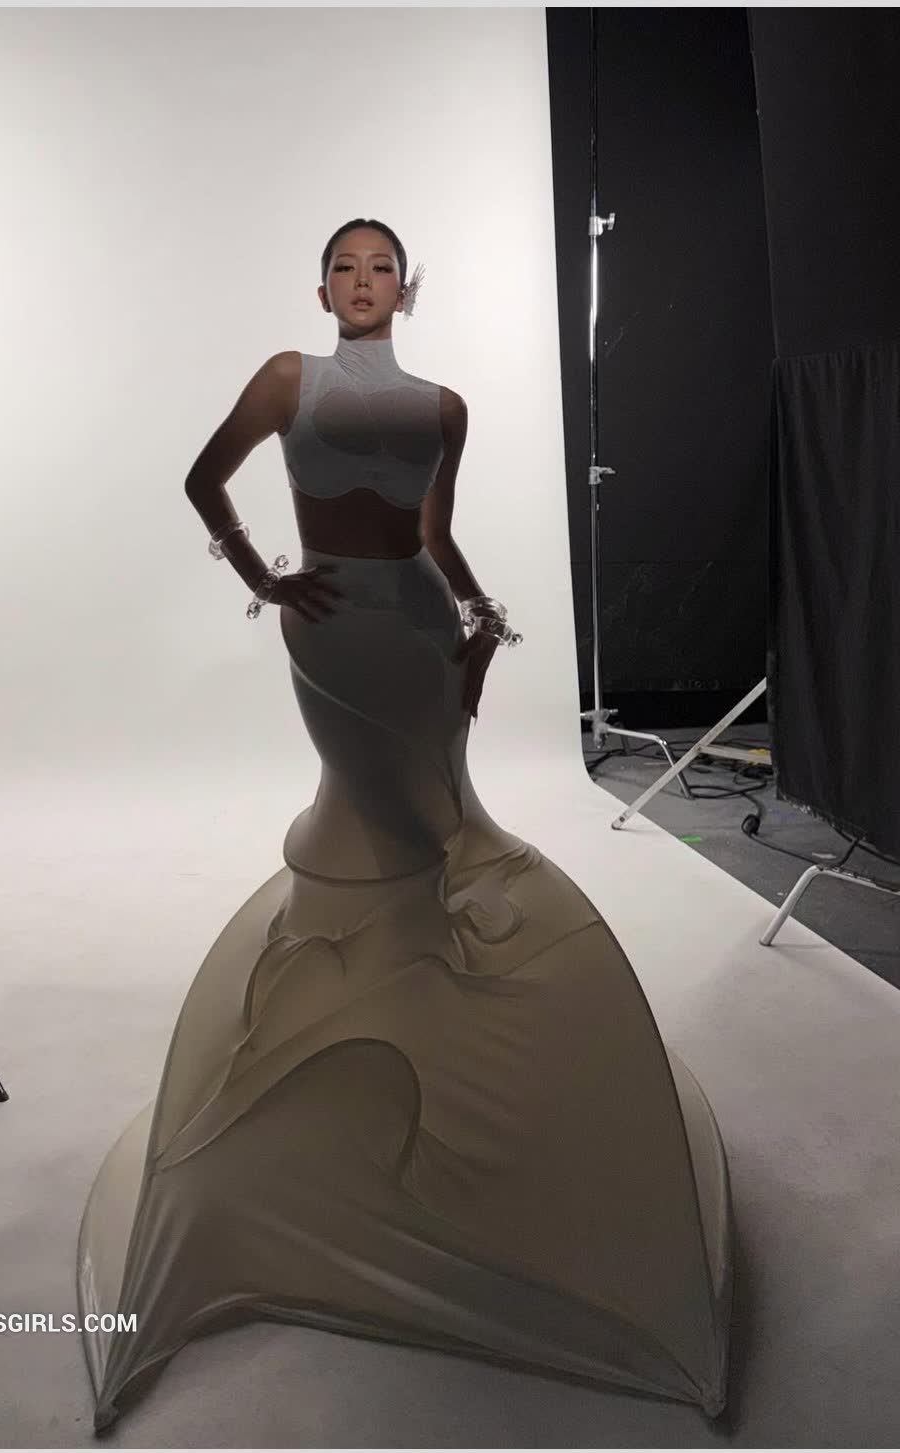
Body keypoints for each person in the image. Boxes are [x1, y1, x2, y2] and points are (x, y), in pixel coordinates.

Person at [77, 219, 734, 1433]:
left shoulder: (445, 406)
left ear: (406, 289)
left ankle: (445, 1062)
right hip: (330, 628)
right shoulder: (288, 379)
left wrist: (477, 617)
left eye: (382, 266)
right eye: (346, 265)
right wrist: (263, 578)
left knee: (433, 822)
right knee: (382, 825)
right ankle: (369, 1062)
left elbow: (432, 535)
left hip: (423, 625)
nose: (363, 281)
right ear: (321, 285)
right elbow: (203, 477)